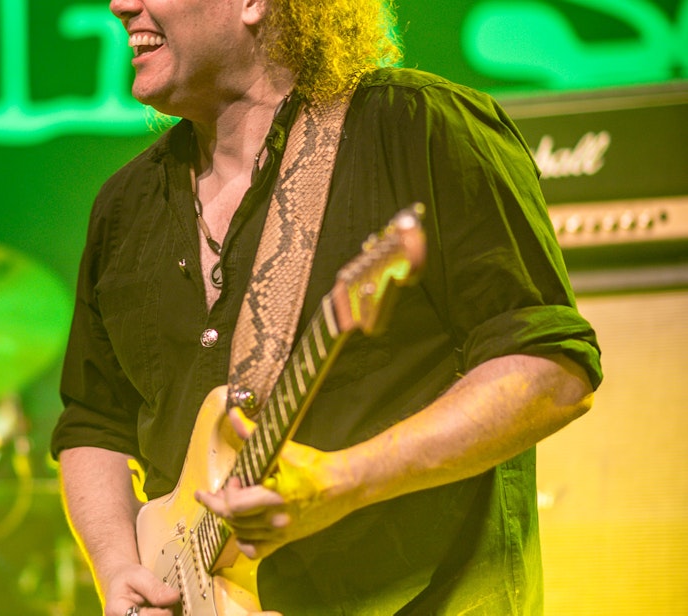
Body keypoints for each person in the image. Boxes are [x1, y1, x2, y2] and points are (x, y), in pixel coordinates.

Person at [51, 0, 603, 614]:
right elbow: (94, 422)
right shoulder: (124, 205)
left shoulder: (417, 126)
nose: (121, 4)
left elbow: (550, 371)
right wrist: (117, 568)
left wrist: (342, 482)